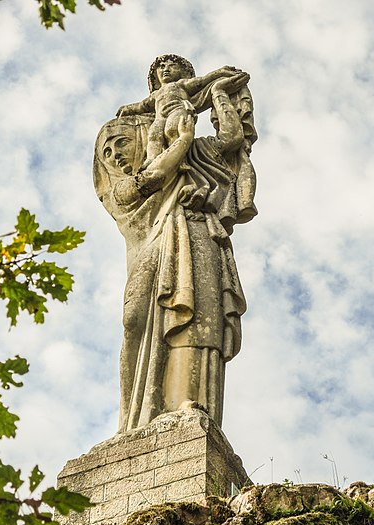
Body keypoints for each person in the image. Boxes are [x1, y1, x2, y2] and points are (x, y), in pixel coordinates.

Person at [93, 68, 257, 432]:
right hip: (156, 236)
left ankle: (185, 404)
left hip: (195, 230)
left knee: (195, 314)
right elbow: (152, 179)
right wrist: (181, 140)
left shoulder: (199, 151)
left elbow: (228, 144)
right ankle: (131, 421)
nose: (115, 153)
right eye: (107, 151)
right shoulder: (121, 189)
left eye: (121, 143)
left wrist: (218, 94)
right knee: (133, 320)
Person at [116, 54, 240, 165]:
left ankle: (180, 160)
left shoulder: (180, 84)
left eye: (172, 66)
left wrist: (220, 72)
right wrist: (128, 109)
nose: (166, 70)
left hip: (177, 110)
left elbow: (202, 81)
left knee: (172, 130)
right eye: (162, 67)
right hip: (160, 117)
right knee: (153, 136)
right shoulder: (156, 94)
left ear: (181, 71)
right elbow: (142, 105)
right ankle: (151, 159)